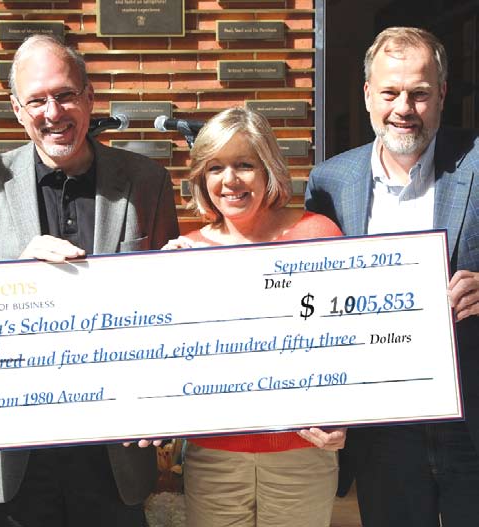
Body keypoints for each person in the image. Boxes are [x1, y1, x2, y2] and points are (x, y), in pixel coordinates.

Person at [0, 34, 179, 526]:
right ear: (17, 109)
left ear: (90, 97)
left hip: (112, 448)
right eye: (37, 100)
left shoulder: (147, 182)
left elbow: (170, 307)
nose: (53, 112)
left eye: (65, 94)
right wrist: (14, 274)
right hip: (15, 451)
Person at [305, 26, 479, 527]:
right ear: (367, 95)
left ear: (442, 94)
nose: (403, 106)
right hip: (383, 430)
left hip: (469, 425)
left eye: (419, 93)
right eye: (390, 92)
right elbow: (316, 297)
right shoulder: (331, 182)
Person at [163, 107, 346, 527]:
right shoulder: (186, 251)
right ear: (201, 178)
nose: (229, 180)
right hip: (215, 456)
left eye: (244, 164)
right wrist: (160, 287)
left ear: (269, 170)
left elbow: (348, 340)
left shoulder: (317, 234)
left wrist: (347, 414)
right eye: (215, 167)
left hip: (301, 452)